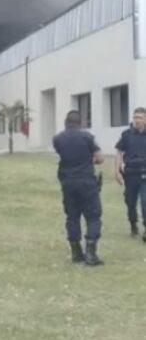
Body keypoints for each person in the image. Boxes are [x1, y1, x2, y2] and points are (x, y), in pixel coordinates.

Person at [53, 110, 104, 266]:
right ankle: (91, 254)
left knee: (72, 216)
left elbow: (63, 155)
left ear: (66, 122)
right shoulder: (87, 137)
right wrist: (90, 160)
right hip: (86, 180)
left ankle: (76, 252)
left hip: (67, 181)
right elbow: (100, 158)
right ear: (80, 122)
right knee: (93, 216)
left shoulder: (58, 139)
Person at [114, 107, 146, 239]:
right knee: (130, 202)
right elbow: (119, 152)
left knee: (145, 201)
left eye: (140, 117)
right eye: (135, 117)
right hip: (131, 174)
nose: (137, 120)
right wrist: (117, 171)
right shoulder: (126, 134)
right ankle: (133, 224)